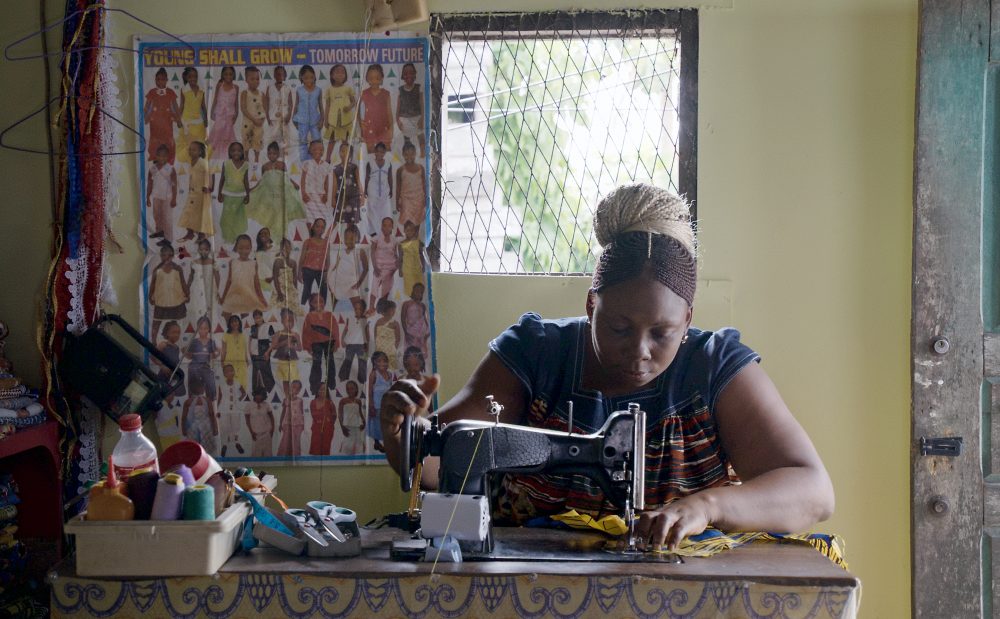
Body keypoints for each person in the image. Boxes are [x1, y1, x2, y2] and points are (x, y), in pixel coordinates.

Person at [380, 184, 835, 550]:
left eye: (662, 333)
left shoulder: (715, 368)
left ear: (688, 320)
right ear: (590, 306)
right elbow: (445, 463)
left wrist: (706, 507)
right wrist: (404, 436)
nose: (640, 350)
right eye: (619, 327)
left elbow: (813, 492)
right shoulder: (534, 354)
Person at [247, 141, 307, 241]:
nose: (272, 155)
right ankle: (272, 239)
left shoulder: (282, 164)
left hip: (281, 196)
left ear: (278, 154)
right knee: (271, 216)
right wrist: (253, 189)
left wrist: (294, 183)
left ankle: (281, 238)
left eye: (274, 153)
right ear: (267, 154)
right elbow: (262, 182)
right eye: (269, 153)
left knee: (281, 216)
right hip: (269, 197)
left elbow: (286, 178)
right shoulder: (265, 166)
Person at [219, 234, 267, 319]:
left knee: (245, 318)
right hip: (234, 296)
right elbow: (229, 281)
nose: (244, 251)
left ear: (251, 248)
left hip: (248, 297)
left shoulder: (254, 264)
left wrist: (262, 299)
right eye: (241, 248)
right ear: (236, 248)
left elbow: (257, 284)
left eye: (247, 248)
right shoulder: (232, 262)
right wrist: (223, 297)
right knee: (225, 315)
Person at [148, 241, 189, 339]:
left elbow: (183, 282)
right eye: (163, 255)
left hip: (176, 301)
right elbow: (153, 284)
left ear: (173, 256)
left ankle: (178, 340)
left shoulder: (178, 269)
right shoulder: (157, 270)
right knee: (156, 321)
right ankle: (153, 342)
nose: (166, 257)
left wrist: (187, 294)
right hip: (161, 302)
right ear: (161, 256)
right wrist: (150, 296)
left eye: (169, 255)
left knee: (177, 321)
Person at [302, 292, 338, 396]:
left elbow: (335, 329)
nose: (319, 304)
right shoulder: (309, 316)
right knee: (316, 364)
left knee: (330, 363)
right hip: (316, 343)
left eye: (321, 301)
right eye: (315, 302)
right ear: (311, 304)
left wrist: (336, 343)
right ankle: (314, 386)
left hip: (329, 342)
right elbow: (306, 332)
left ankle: (331, 384)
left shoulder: (329, 315)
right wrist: (307, 346)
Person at [177, 141, 214, 241]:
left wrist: (210, 187)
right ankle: (190, 233)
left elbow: (210, 173)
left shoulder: (203, 162)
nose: (191, 151)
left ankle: (202, 235)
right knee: (189, 212)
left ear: (200, 152)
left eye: (194, 150)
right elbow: (192, 177)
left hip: (202, 193)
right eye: (190, 149)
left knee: (200, 214)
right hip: (193, 192)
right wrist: (189, 187)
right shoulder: (191, 163)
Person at [143, 67, 181, 163]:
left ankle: (169, 158)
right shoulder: (152, 92)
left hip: (167, 121)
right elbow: (147, 106)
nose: (160, 82)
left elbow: (175, 107)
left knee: (168, 140)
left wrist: (178, 120)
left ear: (167, 80)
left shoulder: (170, 92)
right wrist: (145, 117)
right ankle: (155, 157)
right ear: (155, 80)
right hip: (155, 121)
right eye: (158, 79)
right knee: (155, 139)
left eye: (163, 79)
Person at [328, 223, 369, 311]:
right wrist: (330, 275)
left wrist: (360, 282)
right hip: (338, 278)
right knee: (333, 298)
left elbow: (366, 268)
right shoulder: (342, 251)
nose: (349, 241)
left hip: (351, 280)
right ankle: (332, 312)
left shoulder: (360, 251)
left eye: (352, 238)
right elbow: (336, 265)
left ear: (358, 238)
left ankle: (361, 318)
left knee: (357, 303)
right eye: (346, 238)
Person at [217, 142, 250, 243]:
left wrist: (248, 195)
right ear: (230, 152)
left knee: (238, 218)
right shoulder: (226, 164)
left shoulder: (246, 165)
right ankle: (227, 238)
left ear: (242, 152)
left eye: (239, 151)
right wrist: (219, 193)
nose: (236, 152)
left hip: (240, 196)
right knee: (227, 217)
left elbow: (246, 180)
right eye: (233, 150)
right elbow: (222, 179)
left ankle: (237, 238)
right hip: (228, 195)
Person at [323, 63, 356, 160]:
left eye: (342, 72)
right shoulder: (329, 90)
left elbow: (354, 101)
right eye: (337, 72)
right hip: (333, 121)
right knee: (332, 140)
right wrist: (325, 120)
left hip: (345, 120)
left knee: (345, 140)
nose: (340, 74)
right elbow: (328, 105)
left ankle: (346, 159)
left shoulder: (348, 88)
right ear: (332, 75)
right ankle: (327, 159)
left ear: (345, 75)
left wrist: (349, 107)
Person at [358, 63, 392, 155]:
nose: (374, 81)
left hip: (384, 127)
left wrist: (391, 130)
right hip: (369, 127)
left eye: (377, 78)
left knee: (387, 151)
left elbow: (389, 113)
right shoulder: (364, 93)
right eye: (371, 78)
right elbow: (358, 109)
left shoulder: (386, 94)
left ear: (381, 79)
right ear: (367, 79)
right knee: (370, 152)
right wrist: (361, 124)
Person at [263, 66, 295, 160]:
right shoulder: (270, 88)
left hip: (284, 118)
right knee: (272, 137)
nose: (279, 75)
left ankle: (284, 156)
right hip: (273, 118)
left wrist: (289, 116)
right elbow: (266, 103)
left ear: (285, 75)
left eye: (281, 74)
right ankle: (273, 155)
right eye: (277, 74)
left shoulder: (287, 88)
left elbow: (290, 103)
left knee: (285, 137)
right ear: (274, 75)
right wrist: (268, 117)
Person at [207, 66, 239, 162]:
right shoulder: (219, 85)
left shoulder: (236, 87)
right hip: (219, 114)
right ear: (222, 75)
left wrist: (236, 114)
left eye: (230, 74)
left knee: (227, 136)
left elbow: (236, 103)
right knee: (216, 135)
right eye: (226, 74)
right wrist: (212, 112)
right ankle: (211, 156)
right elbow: (215, 99)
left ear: (233, 75)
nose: (228, 76)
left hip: (229, 115)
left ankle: (226, 157)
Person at [176, 67, 208, 165]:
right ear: (186, 77)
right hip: (187, 121)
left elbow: (203, 106)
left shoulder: (201, 90)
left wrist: (206, 118)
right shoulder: (184, 90)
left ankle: (199, 161)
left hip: (199, 122)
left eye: (195, 76)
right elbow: (181, 105)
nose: (193, 78)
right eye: (190, 76)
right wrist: (178, 119)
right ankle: (189, 161)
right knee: (189, 143)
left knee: (199, 142)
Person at [146, 144, 177, 240]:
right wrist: (148, 197)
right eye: (159, 155)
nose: (162, 158)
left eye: (164, 156)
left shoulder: (170, 169)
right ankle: (159, 231)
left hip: (167, 197)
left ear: (168, 157)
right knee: (157, 215)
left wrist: (174, 199)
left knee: (166, 217)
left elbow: (174, 185)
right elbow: (150, 184)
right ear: (156, 155)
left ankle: (168, 238)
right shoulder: (152, 169)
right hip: (156, 196)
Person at [293, 65, 323, 162]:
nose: (309, 80)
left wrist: (322, 120)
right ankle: (304, 160)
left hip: (315, 120)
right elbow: (296, 104)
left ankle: (317, 158)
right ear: (301, 78)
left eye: (311, 77)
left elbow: (321, 106)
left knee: (317, 139)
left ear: (314, 77)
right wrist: (294, 118)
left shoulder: (318, 90)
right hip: (302, 119)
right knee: (302, 140)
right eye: (306, 78)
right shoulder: (299, 90)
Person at [216, 363, 247, 457]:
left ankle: (237, 443)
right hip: (224, 409)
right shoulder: (221, 385)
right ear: (224, 374)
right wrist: (217, 409)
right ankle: (224, 445)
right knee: (225, 427)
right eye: (227, 371)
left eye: (232, 370)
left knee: (236, 427)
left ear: (234, 372)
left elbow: (244, 393)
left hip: (235, 409)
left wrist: (239, 400)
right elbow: (220, 398)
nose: (230, 372)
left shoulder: (237, 383)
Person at [369, 216, 399, 311]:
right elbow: (372, 253)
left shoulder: (394, 240)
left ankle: (382, 308)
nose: (387, 228)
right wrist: (375, 267)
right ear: (381, 227)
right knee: (374, 288)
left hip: (391, 269)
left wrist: (395, 268)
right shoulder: (376, 238)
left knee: (386, 289)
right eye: (385, 225)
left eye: (389, 226)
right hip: (379, 268)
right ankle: (371, 308)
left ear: (392, 227)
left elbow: (396, 254)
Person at [185, 315, 219, 400]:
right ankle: (192, 399)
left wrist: (218, 353)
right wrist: (184, 351)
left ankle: (211, 401)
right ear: (197, 329)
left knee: (211, 384)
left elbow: (212, 357)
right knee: (193, 387)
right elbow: (189, 356)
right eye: (201, 328)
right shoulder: (194, 342)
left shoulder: (211, 342)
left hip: (205, 367)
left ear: (209, 329)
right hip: (194, 367)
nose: (203, 330)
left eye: (206, 328)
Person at [367, 350, 394, 452]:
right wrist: (371, 405)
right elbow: (370, 391)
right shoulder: (374, 374)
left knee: (386, 424)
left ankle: (386, 442)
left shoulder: (390, 375)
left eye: (384, 361)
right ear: (374, 363)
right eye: (379, 361)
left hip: (387, 405)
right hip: (377, 405)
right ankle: (377, 443)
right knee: (376, 424)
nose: (382, 363)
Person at [186, 237, 218, 325]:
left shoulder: (213, 262)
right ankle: (198, 330)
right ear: (198, 250)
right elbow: (191, 276)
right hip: (196, 290)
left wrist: (218, 291)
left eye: (206, 249)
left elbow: (217, 277)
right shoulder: (194, 262)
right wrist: (187, 288)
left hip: (210, 289)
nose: (204, 252)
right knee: (197, 309)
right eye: (201, 249)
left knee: (210, 310)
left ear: (210, 249)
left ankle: (209, 328)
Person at [395, 142, 426, 232]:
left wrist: (426, 199)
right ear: (403, 155)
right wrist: (397, 202)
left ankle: (415, 240)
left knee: (417, 220)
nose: (409, 156)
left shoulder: (421, 168)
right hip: (406, 200)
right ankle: (408, 242)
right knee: (407, 221)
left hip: (419, 199)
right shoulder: (400, 170)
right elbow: (398, 187)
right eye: (406, 154)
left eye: (412, 154)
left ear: (415, 154)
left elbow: (424, 185)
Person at [396, 63, 425, 157]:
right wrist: (397, 120)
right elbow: (398, 107)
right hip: (404, 119)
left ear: (415, 74)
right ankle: (407, 156)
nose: (408, 75)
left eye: (411, 73)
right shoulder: (400, 90)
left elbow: (422, 104)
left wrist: (422, 119)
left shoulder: (418, 88)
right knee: (406, 139)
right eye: (405, 73)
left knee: (421, 137)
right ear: (402, 76)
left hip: (417, 117)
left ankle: (423, 154)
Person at [364, 144, 393, 237]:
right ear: (374, 152)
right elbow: (367, 177)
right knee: (372, 209)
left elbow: (390, 177)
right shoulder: (370, 163)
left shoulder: (388, 163)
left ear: (384, 153)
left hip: (384, 190)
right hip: (372, 189)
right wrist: (365, 189)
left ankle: (384, 231)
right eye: (378, 151)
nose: (379, 153)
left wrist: (391, 189)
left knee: (384, 210)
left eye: (382, 152)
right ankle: (373, 231)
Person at [240, 66, 266, 167]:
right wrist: (253, 119)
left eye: (257, 79)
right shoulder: (245, 93)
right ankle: (246, 157)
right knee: (246, 138)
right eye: (252, 79)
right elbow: (243, 108)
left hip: (259, 122)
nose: (255, 81)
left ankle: (256, 159)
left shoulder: (262, 94)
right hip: (248, 121)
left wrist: (262, 120)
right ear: (246, 80)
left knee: (257, 139)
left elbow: (264, 108)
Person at [300, 139, 331, 223]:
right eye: (315, 149)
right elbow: (302, 180)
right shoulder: (307, 163)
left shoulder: (326, 165)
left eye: (321, 149)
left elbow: (326, 183)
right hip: (309, 195)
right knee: (309, 218)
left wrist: (326, 195)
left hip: (321, 196)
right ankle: (310, 235)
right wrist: (303, 193)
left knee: (322, 217)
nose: (318, 151)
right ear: (310, 151)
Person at [332, 141, 362, 225]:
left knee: (351, 220)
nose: (344, 153)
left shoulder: (354, 167)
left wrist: (362, 195)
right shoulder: (336, 168)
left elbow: (359, 182)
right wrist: (333, 198)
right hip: (341, 197)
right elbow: (334, 185)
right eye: (342, 151)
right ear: (339, 153)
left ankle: (350, 235)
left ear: (351, 154)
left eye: (347, 151)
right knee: (337, 218)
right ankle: (328, 235)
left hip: (353, 197)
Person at [220, 314, 250, 390]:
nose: (234, 323)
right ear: (230, 324)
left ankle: (240, 401)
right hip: (229, 364)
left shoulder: (243, 336)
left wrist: (247, 361)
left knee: (242, 386)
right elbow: (223, 351)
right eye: (232, 322)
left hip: (241, 364)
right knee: (230, 386)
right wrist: (222, 363)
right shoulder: (226, 335)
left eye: (236, 321)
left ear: (239, 323)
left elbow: (245, 350)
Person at [277, 379, 306, 457]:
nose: (295, 389)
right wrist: (280, 424)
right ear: (290, 388)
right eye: (293, 387)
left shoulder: (300, 400)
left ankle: (296, 456)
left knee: (296, 442)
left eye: (297, 388)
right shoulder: (285, 400)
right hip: (287, 423)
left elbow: (302, 413)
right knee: (286, 440)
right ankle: (283, 455)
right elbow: (283, 412)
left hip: (298, 424)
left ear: (299, 390)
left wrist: (303, 424)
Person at [401, 282, 429, 358]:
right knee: (410, 353)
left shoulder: (423, 305)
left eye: (421, 292)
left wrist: (428, 331)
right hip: (410, 331)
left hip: (421, 332)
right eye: (416, 291)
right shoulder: (406, 304)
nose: (418, 293)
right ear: (412, 291)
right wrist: (406, 332)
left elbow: (425, 320)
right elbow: (403, 319)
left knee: (421, 354)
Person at [245, 387, 275, 457]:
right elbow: (247, 421)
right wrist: (251, 432)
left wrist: (272, 429)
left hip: (267, 433)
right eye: (257, 394)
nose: (259, 396)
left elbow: (272, 417)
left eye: (261, 395)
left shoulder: (266, 405)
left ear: (263, 396)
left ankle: (268, 467)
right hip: (256, 434)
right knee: (256, 454)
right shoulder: (249, 406)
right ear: (254, 395)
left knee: (268, 453)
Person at [337, 380, 365, 455]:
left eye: (352, 388)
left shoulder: (358, 401)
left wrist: (364, 422)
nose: (349, 390)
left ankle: (358, 460)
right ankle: (344, 460)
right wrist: (342, 427)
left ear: (356, 389)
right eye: (347, 389)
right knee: (347, 444)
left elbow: (360, 413)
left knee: (358, 443)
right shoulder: (343, 401)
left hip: (356, 426)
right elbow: (340, 415)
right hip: (347, 426)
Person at [309, 382, 336, 456]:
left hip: (328, 430)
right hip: (316, 429)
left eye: (324, 389)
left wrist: (329, 424)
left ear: (326, 391)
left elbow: (334, 415)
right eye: (320, 389)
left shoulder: (330, 403)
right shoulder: (312, 402)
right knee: (315, 449)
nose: (322, 391)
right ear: (317, 390)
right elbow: (313, 415)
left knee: (325, 449)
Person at [373, 298, 401, 371]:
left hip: (391, 350)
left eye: (394, 310)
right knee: (380, 367)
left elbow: (398, 338)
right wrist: (378, 346)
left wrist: (393, 349)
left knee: (391, 369)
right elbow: (375, 335)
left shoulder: (395, 323)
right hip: (380, 349)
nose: (394, 312)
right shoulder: (378, 322)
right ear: (386, 310)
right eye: (392, 310)